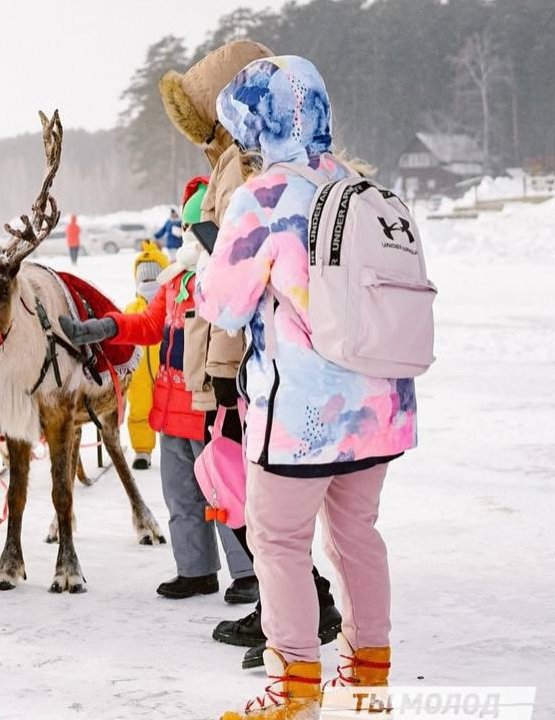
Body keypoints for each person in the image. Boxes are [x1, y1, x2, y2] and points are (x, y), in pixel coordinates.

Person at [200, 56, 413, 719]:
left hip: (303, 416)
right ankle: (368, 679)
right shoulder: (361, 186)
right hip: (379, 405)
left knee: (280, 540)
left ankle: (292, 689)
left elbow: (223, 305)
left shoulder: (261, 196)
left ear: (256, 125)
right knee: (358, 534)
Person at [161, 40, 341, 669]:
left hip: (238, 350)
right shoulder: (235, 162)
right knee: (237, 479)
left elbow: (238, 263)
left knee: (240, 481)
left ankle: (294, 603)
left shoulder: (243, 166)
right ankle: (289, 598)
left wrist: (199, 251)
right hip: (230, 347)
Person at [58, 178, 254, 602]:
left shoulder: (229, 278)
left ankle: (248, 572)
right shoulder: (174, 281)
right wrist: (106, 326)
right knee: (181, 497)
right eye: (186, 229)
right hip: (170, 414)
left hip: (212, 411)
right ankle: (195, 570)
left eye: (198, 228)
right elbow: (148, 325)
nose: (191, 238)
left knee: (227, 495)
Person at [122, 240, 168, 470]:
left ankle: (175, 447)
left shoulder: (170, 306)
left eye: (153, 278)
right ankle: (142, 449)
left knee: (170, 409)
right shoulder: (132, 309)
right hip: (139, 373)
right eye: (144, 278)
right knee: (139, 409)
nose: (148, 283)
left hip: (166, 371)